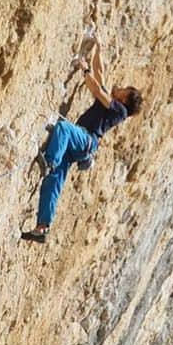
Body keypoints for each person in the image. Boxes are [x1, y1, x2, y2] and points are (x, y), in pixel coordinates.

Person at [21, 38, 143, 243]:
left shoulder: (119, 110)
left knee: (64, 128)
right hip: (79, 147)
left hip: (85, 139)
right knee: (55, 180)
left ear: (124, 100)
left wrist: (84, 69)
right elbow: (100, 75)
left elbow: (95, 88)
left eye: (124, 90)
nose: (120, 87)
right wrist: (98, 49)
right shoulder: (112, 104)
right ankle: (43, 227)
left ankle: (49, 162)